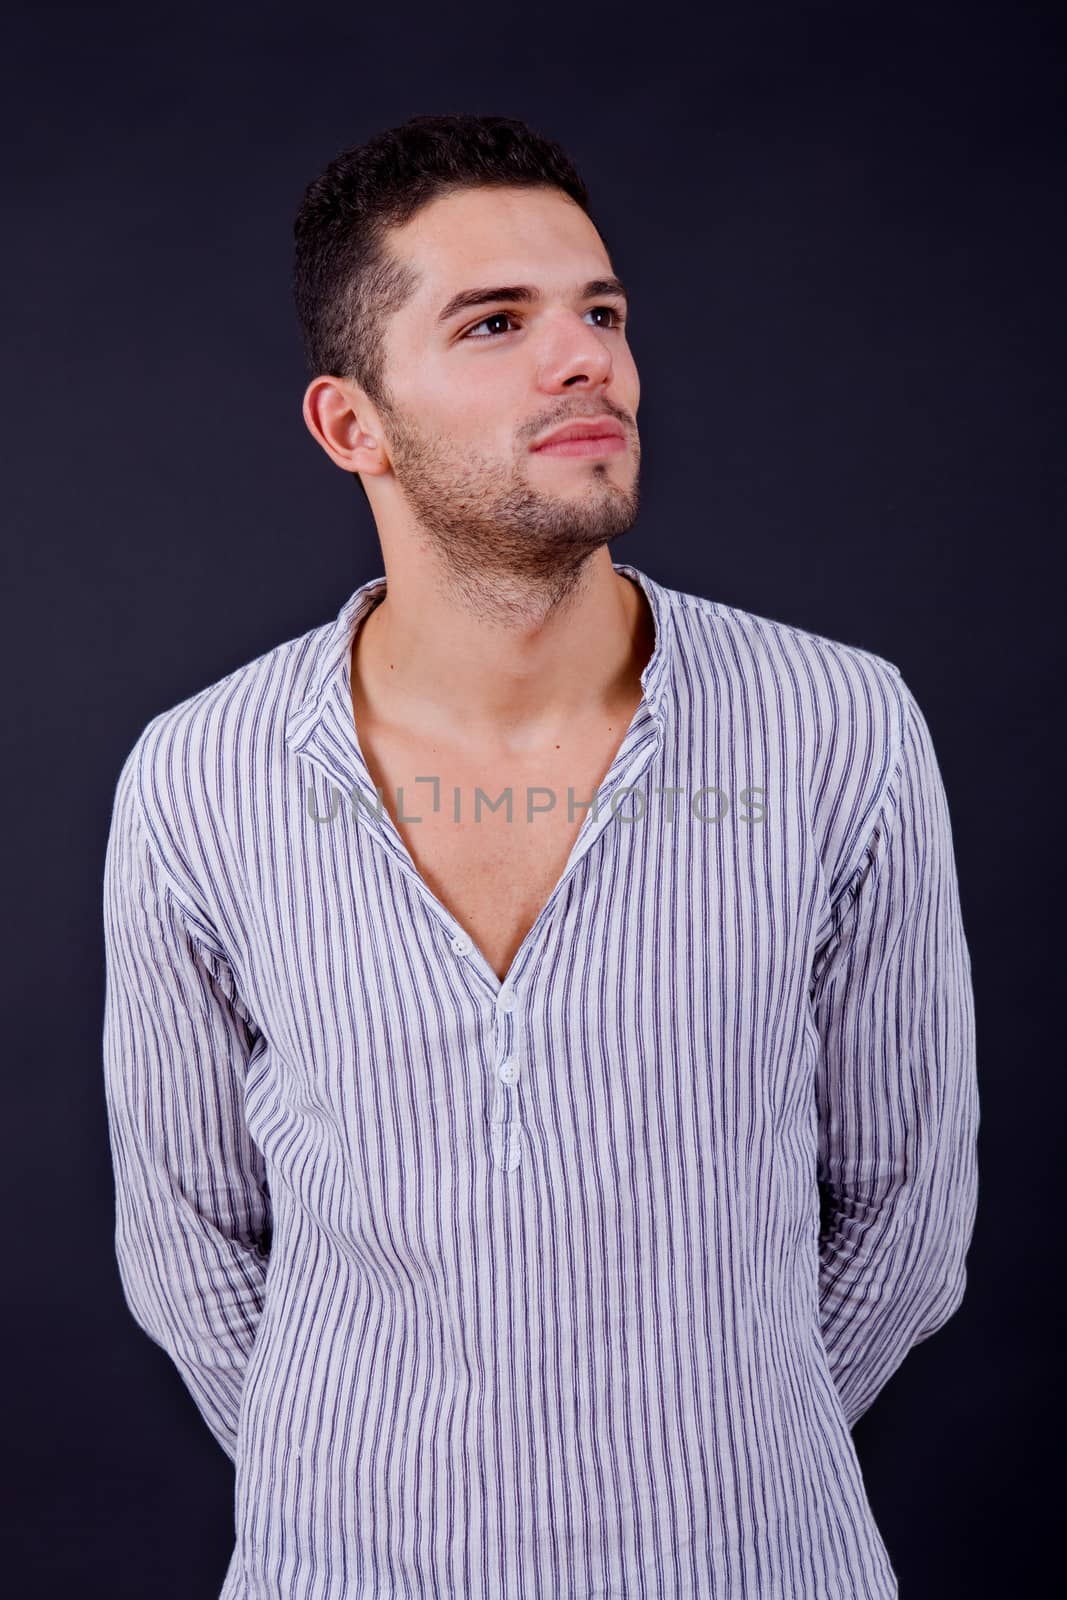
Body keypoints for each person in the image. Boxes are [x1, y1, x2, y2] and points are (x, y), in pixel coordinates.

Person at [101, 112, 979, 1600]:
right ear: (350, 426)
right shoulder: (199, 781)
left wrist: (714, 1471)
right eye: (496, 322)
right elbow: (188, 1245)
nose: (586, 361)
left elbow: (906, 1214)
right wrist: (386, 1492)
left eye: (602, 314)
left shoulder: (843, 727)